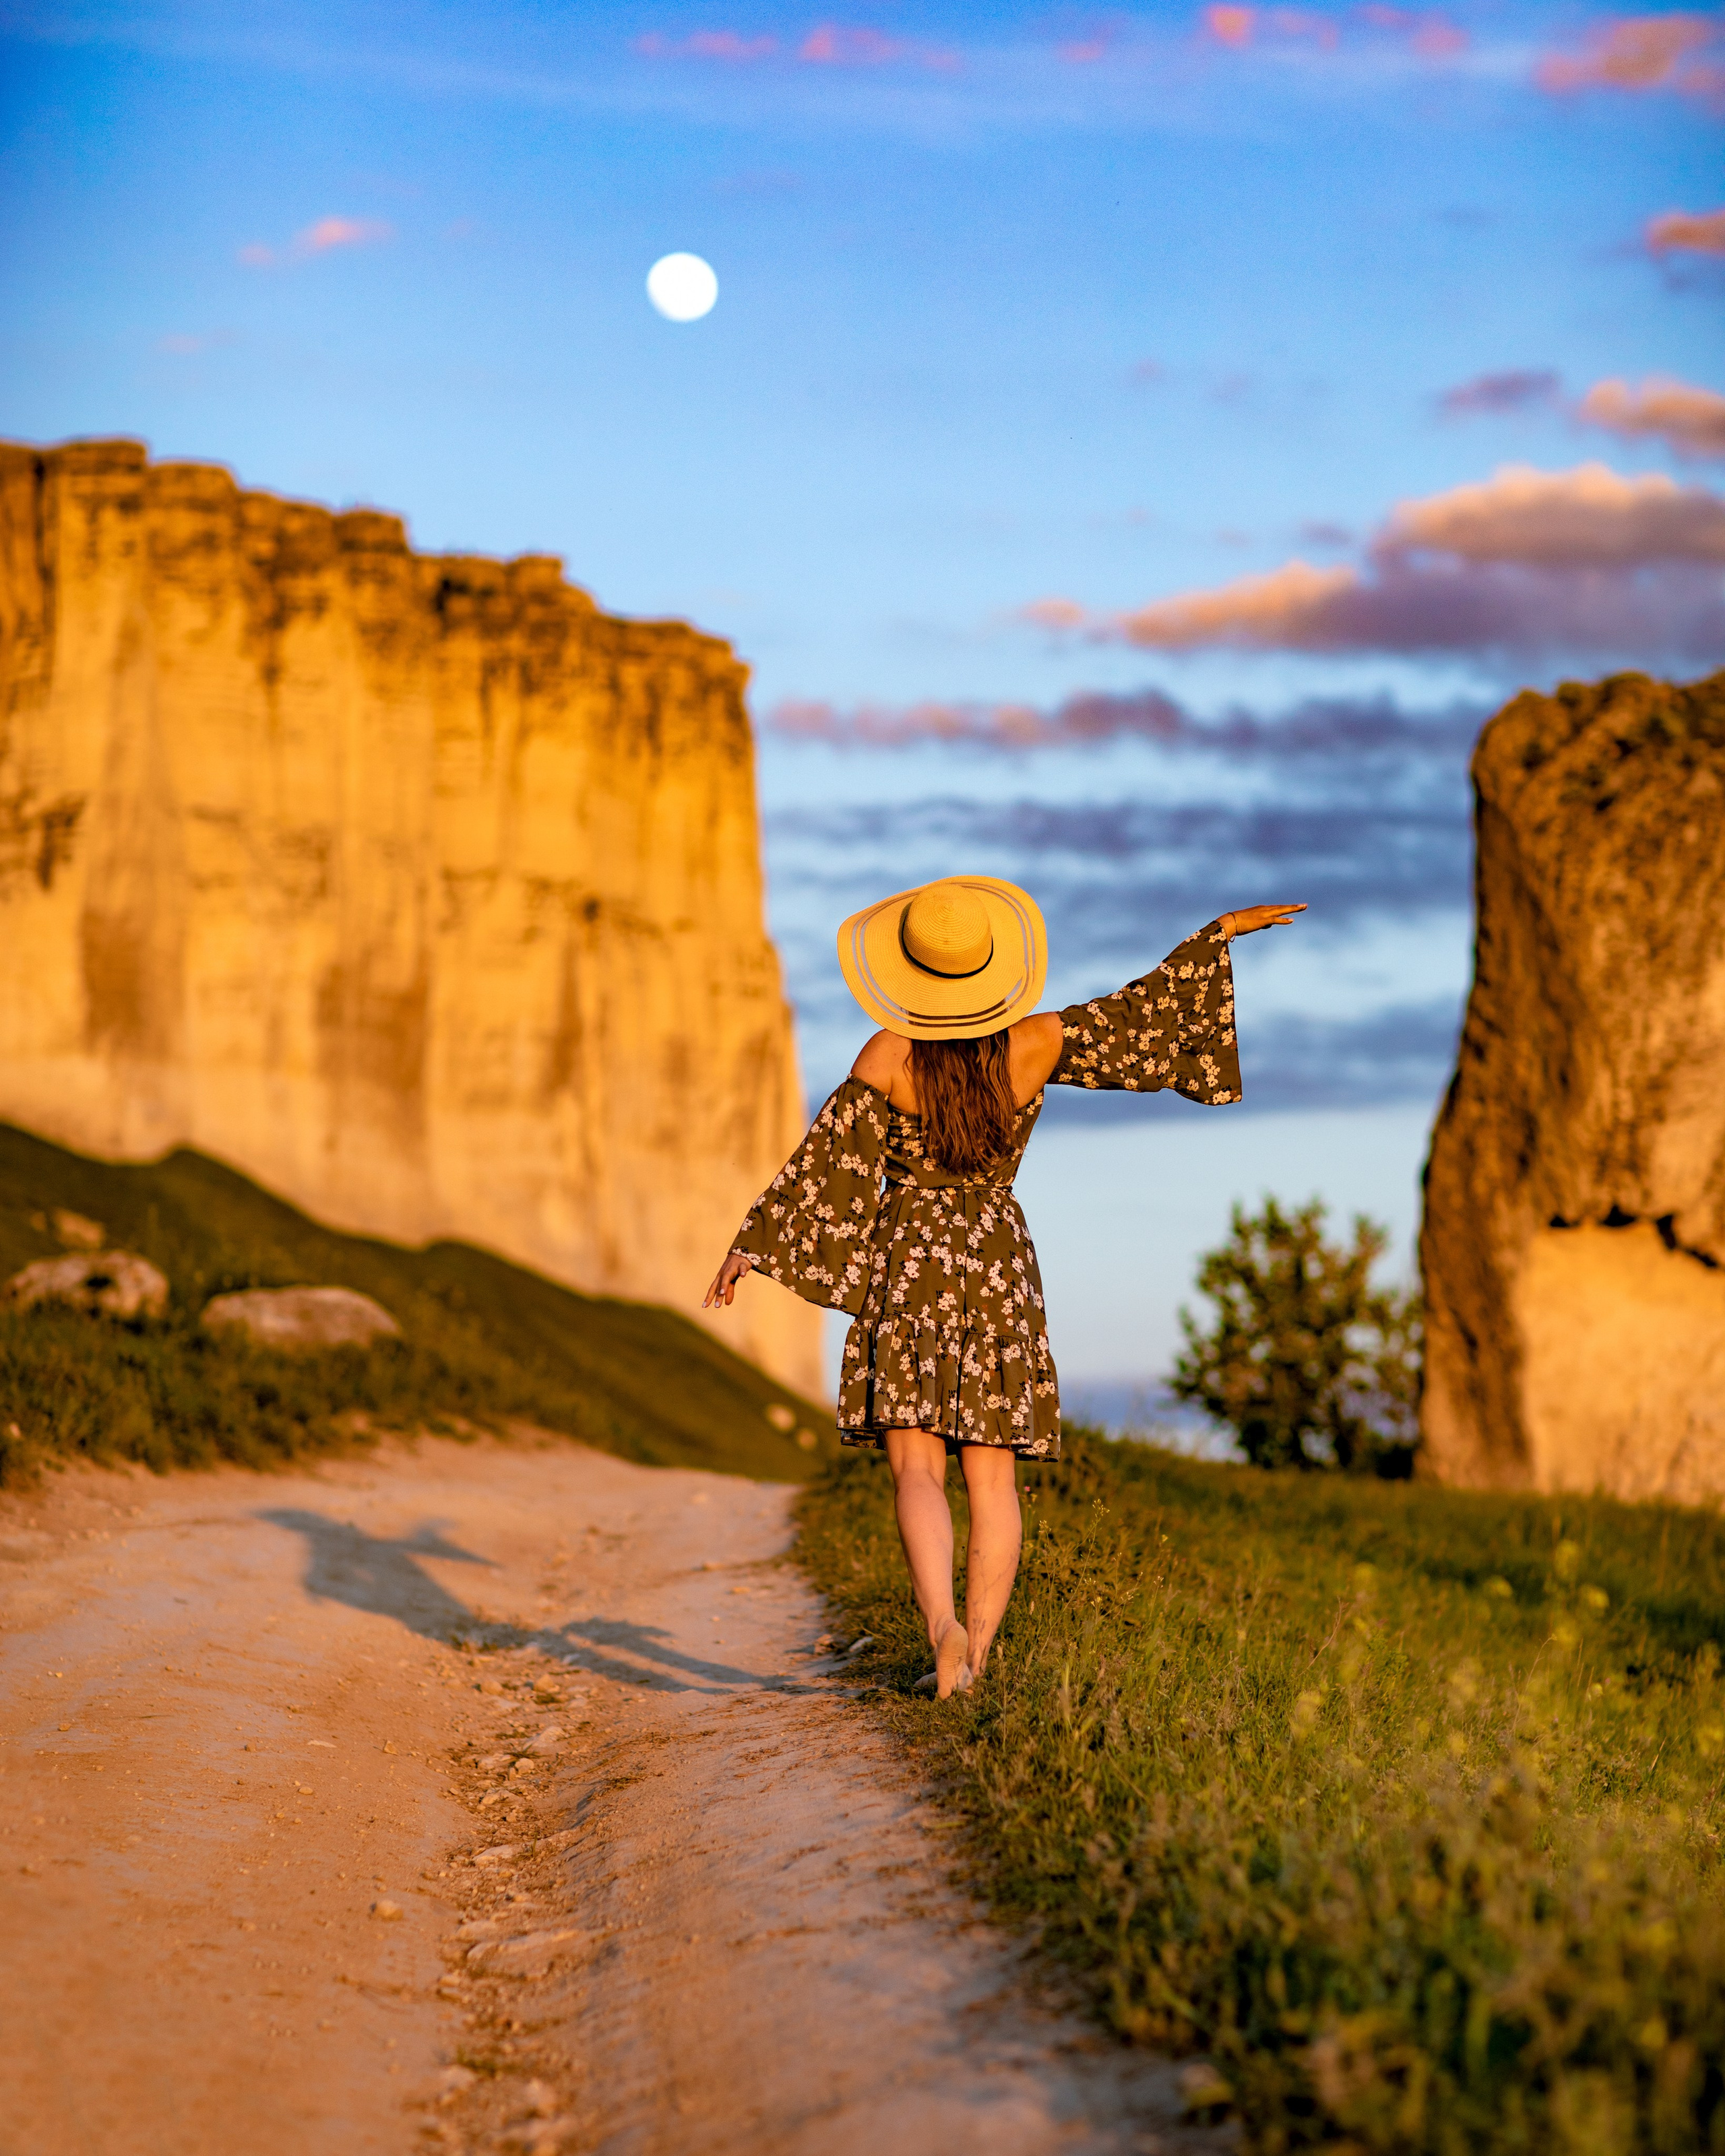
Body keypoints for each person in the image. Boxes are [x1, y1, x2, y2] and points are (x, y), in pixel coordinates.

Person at [705, 879, 1304, 1698]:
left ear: (910, 974)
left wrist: (753, 1245)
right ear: (992, 968)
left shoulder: (885, 1054)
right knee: (993, 1479)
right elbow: (1147, 1014)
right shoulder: (1040, 1040)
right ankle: (977, 1661)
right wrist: (1220, 934)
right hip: (995, 1256)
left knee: (915, 1471)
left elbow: (824, 1169)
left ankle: (941, 1632)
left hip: (908, 1255)